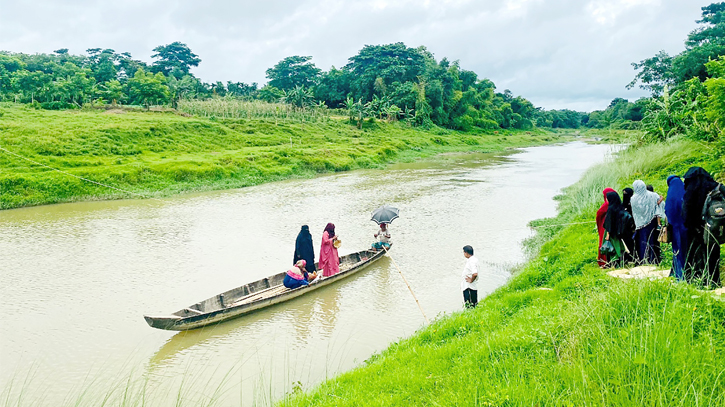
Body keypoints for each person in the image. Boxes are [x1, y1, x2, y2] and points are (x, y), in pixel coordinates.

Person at [682, 167, 721, 286]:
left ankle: (696, 281)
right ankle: (714, 281)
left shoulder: (691, 191)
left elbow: (686, 213)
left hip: (695, 230)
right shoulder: (717, 188)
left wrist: (691, 225)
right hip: (713, 228)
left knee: (694, 255)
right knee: (713, 256)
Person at [631, 180, 663, 265]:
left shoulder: (633, 198)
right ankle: (654, 260)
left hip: (640, 224)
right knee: (652, 241)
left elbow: (636, 211)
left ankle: (643, 260)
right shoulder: (653, 195)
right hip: (652, 222)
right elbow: (660, 204)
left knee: (642, 242)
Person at [603, 191, 633, 268]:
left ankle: (613, 264)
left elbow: (609, 222)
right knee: (619, 247)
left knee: (611, 248)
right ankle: (621, 262)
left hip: (611, 232)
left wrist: (608, 234)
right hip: (618, 231)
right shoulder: (620, 207)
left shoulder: (611, 208)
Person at [665, 175, 687, 281]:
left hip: (676, 228)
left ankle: (679, 275)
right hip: (687, 227)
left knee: (678, 251)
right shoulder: (686, 191)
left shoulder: (671, 195)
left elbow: (668, 210)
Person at [597, 188, 616, 267]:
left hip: (604, 226)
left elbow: (598, 214)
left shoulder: (606, 205)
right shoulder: (616, 203)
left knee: (603, 241)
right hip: (612, 226)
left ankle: (603, 260)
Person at [621, 187, 636, 264]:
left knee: (632, 243)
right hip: (624, 228)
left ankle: (632, 257)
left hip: (632, 227)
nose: (624, 195)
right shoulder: (622, 205)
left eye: (626, 194)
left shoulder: (633, 203)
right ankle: (626, 258)